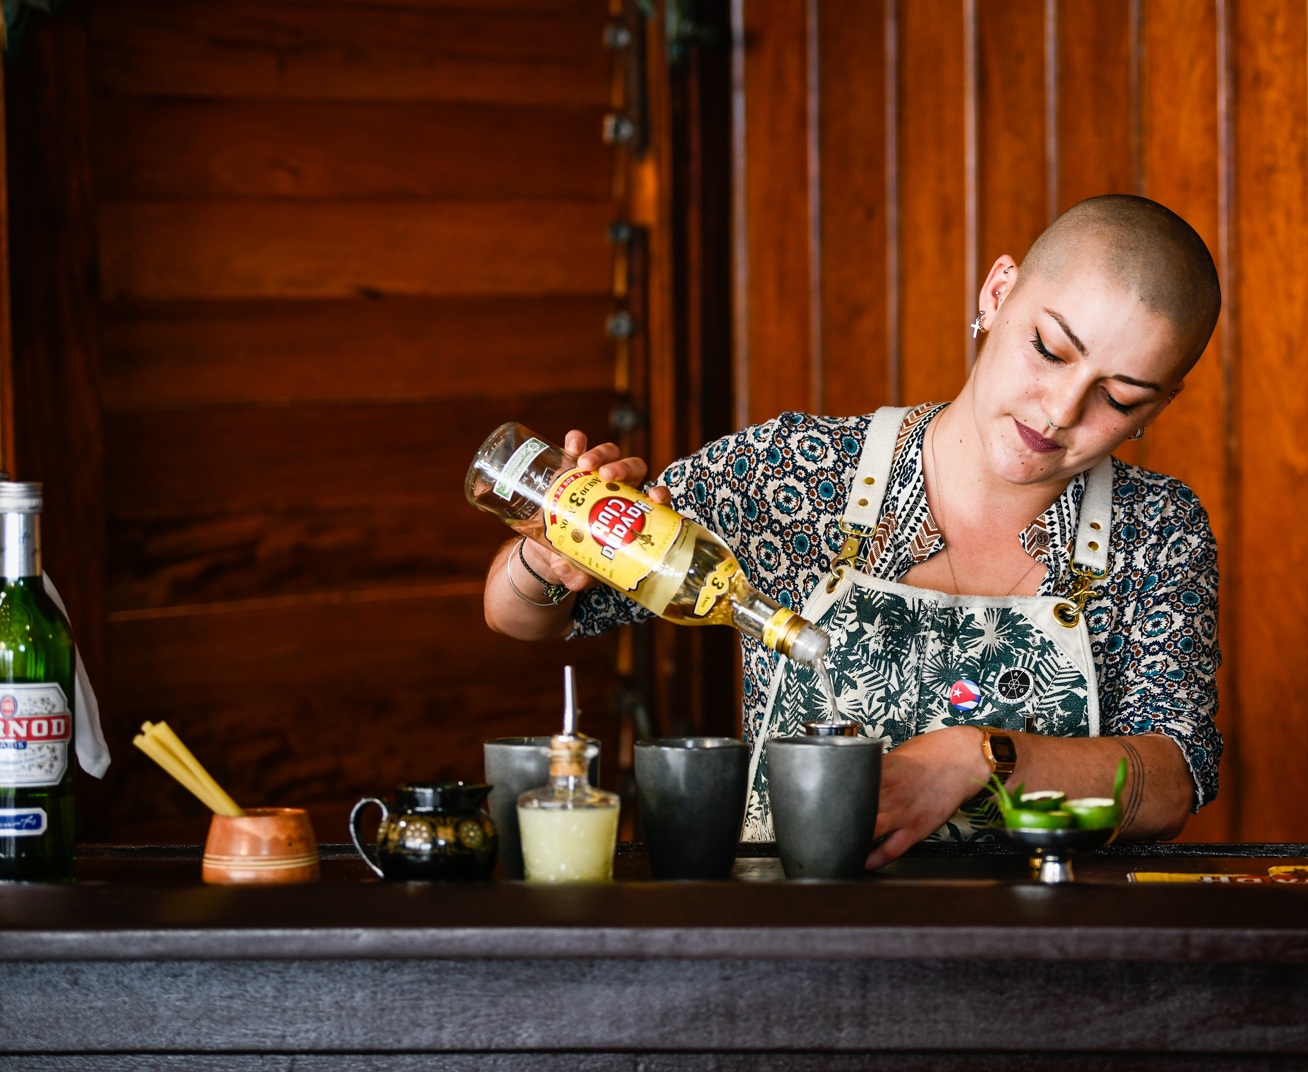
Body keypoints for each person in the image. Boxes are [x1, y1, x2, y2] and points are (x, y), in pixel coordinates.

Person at [484, 194, 1223, 868]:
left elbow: (1172, 781)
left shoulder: (1157, 530)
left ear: (1159, 405)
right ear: (998, 294)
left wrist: (980, 757)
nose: (1061, 410)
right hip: (793, 945)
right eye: (1049, 351)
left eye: (1120, 398)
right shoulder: (790, 474)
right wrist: (545, 560)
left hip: (1041, 956)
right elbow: (522, 617)